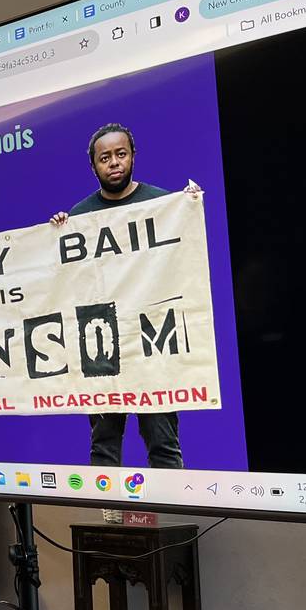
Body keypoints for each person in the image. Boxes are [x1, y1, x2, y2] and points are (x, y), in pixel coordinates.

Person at [49, 122, 201, 468]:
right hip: (101, 343)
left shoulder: (162, 204)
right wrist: (59, 232)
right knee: (104, 443)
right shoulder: (79, 216)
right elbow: (68, 280)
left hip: (152, 341)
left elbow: (183, 261)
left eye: (121, 154)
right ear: (94, 166)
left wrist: (188, 210)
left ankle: (169, 515)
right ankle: (110, 521)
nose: (114, 162)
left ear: (132, 157)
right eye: (105, 158)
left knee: (162, 440)